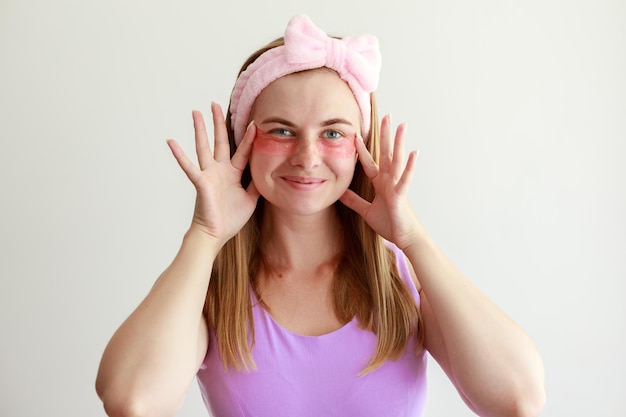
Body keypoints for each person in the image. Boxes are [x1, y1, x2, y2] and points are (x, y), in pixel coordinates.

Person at [95, 14, 545, 417]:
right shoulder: (212, 290)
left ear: (361, 149)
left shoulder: (402, 280)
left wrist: (415, 241)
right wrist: (204, 235)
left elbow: (517, 398)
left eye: (333, 132)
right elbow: (131, 400)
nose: (307, 157)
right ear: (244, 144)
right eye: (282, 131)